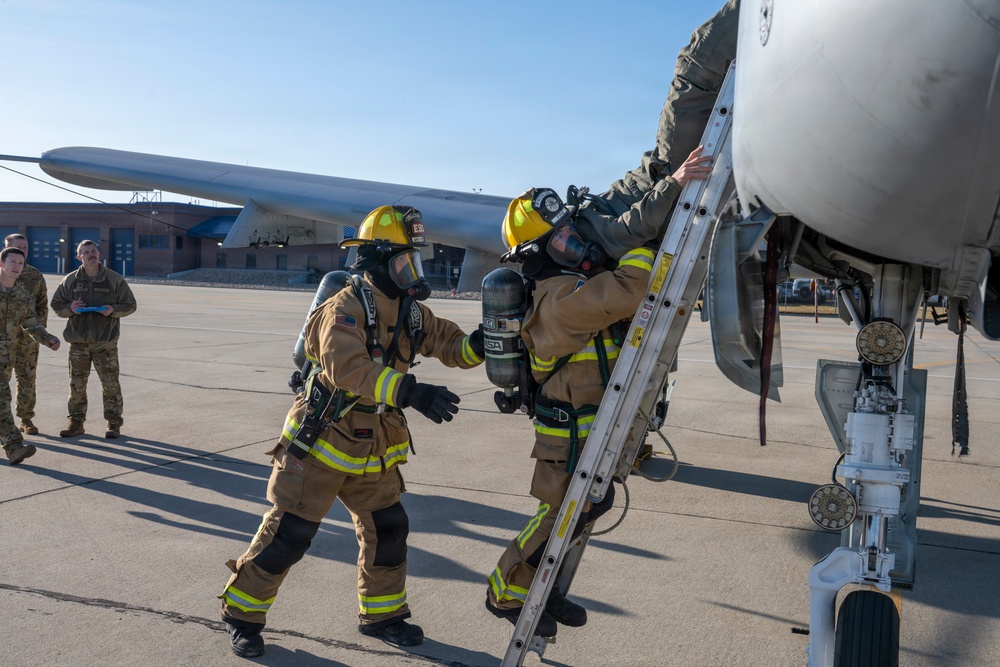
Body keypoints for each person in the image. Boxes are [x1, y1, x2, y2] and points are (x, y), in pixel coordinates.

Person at [220, 205, 485, 658]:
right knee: (291, 535)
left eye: (413, 261)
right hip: (321, 441)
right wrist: (412, 391)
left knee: (389, 528)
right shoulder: (342, 307)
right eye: (404, 262)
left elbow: (450, 344)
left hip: (372, 445)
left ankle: (383, 616)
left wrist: (483, 342)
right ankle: (241, 614)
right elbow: (348, 368)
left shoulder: (411, 311)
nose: (412, 271)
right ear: (377, 262)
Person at [486, 156, 710, 636]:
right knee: (558, 516)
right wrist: (645, 241)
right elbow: (632, 289)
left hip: (589, 425)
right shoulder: (558, 299)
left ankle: (548, 591)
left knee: (588, 507)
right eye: (563, 241)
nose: (577, 245)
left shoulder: (572, 284)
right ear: (539, 255)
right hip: (566, 435)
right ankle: (505, 592)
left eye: (572, 234)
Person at [50, 240, 137, 439]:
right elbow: (57, 305)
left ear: (99, 253)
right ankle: (76, 422)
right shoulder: (70, 280)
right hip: (78, 342)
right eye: (86, 252)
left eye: (93, 251)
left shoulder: (113, 279)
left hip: (104, 342)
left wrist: (113, 310)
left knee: (110, 384)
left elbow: (130, 305)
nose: (91, 254)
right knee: (77, 385)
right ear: (78, 257)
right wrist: (70, 308)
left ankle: (114, 423)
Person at [0, 247, 60, 464]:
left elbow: (31, 324)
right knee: (2, 400)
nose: (17, 267)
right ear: (1, 263)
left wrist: (49, 339)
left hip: (5, 358)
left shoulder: (22, 295)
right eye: (12, 262)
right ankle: (14, 446)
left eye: (20, 263)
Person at [4, 234, 48, 436]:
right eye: (18, 247)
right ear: (7, 249)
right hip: (4, 338)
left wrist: (40, 334)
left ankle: (25, 418)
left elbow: (41, 306)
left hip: (27, 337)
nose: (23, 251)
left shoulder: (34, 275)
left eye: (25, 248)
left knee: (27, 377)